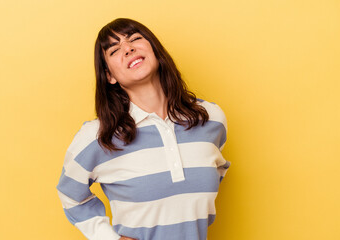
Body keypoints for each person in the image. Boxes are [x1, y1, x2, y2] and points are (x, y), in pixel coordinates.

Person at [56, 18, 230, 240]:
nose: (128, 48)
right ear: (109, 75)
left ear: (155, 50)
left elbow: (217, 167)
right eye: (114, 50)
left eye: (135, 39)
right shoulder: (99, 135)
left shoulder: (210, 118)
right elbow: (69, 193)